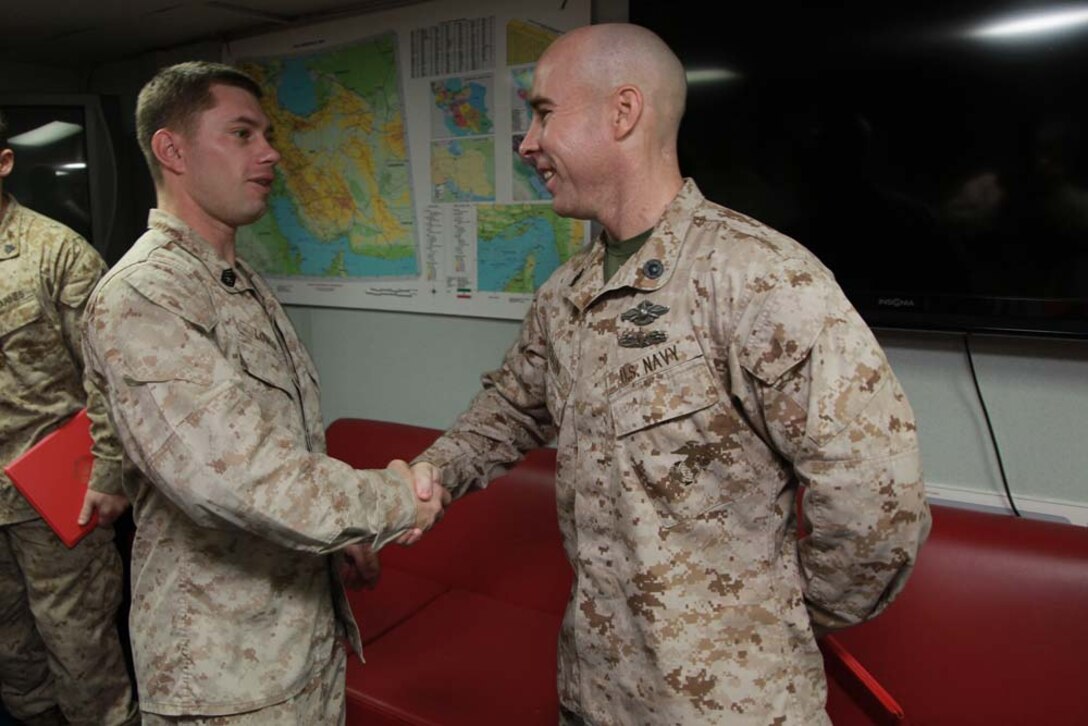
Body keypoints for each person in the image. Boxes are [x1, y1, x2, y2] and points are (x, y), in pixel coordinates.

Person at [409, 23, 931, 725]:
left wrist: (765, 617)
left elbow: (879, 504)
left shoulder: (759, 277)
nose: (528, 143)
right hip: (594, 694)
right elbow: (508, 409)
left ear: (622, 113)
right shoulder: (568, 294)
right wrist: (415, 485)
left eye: (542, 113)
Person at [80, 61, 448, 724]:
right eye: (242, 133)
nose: (270, 152)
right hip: (223, 678)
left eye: (267, 133)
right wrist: (399, 498)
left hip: (298, 647)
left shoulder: (237, 279)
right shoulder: (146, 296)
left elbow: (283, 443)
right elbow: (241, 479)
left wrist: (340, 539)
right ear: (173, 150)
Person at [0, 111, 138, 725]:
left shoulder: (55, 252)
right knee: (13, 657)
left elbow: (116, 376)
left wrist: (110, 473)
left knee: (82, 654)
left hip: (55, 495)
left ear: (3, 163)